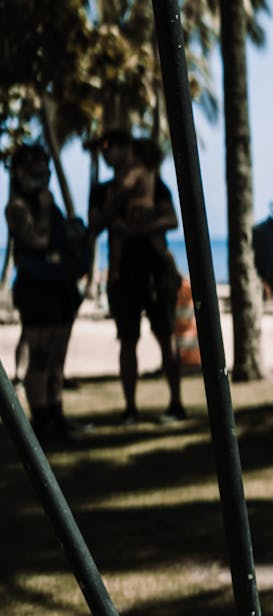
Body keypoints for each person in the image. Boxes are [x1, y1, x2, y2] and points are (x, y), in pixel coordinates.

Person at [90, 132, 186, 426]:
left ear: (128, 150)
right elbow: (95, 224)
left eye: (109, 147)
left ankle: (176, 403)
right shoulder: (105, 189)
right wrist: (115, 203)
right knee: (127, 340)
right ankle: (130, 408)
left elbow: (172, 220)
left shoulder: (154, 184)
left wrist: (137, 229)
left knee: (165, 336)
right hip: (124, 271)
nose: (105, 154)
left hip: (155, 269)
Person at [5, 144, 87, 444]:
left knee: (57, 356)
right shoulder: (17, 206)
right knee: (39, 354)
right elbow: (38, 241)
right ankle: (41, 418)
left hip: (58, 287)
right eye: (36, 172)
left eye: (46, 172)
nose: (43, 178)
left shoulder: (47, 203)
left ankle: (56, 413)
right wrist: (41, 207)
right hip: (36, 289)